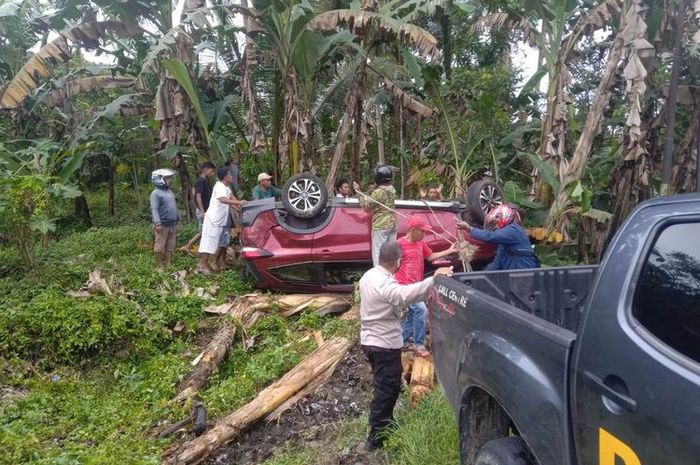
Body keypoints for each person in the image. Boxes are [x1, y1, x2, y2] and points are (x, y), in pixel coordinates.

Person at [358, 241, 454, 452]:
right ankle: (375, 438)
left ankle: (386, 423)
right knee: (386, 389)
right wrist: (434, 279)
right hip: (383, 344)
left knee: (386, 384)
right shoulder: (383, 283)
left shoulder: (370, 275)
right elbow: (403, 295)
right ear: (398, 261)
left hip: (372, 341)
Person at [395, 216, 457, 357]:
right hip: (404, 287)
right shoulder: (399, 244)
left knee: (413, 314)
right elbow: (393, 265)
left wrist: (449, 250)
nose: (424, 234)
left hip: (418, 286)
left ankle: (402, 342)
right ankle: (419, 344)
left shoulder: (420, 244)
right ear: (413, 230)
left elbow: (430, 256)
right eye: (422, 231)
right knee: (421, 310)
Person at [456, 204, 539, 270]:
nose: (495, 227)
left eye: (495, 224)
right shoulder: (503, 242)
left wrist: (470, 229)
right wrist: (482, 276)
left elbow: (490, 237)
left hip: (525, 274)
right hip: (514, 276)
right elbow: (497, 262)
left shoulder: (514, 230)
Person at [198, 168, 246, 274]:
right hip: (213, 219)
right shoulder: (219, 186)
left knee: (214, 242)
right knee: (209, 242)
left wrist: (240, 208)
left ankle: (206, 264)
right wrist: (239, 202)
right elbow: (223, 200)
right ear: (225, 177)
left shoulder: (226, 188)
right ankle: (202, 265)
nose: (232, 177)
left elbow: (233, 201)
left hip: (219, 220)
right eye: (230, 175)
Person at [354, 165, 397, 267]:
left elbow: (365, 204)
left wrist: (358, 191)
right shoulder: (392, 189)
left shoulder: (379, 192)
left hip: (381, 224)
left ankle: (379, 275)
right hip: (392, 222)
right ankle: (392, 272)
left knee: (378, 252)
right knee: (391, 252)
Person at [180, 162, 216, 255]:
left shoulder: (204, 181)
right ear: (205, 170)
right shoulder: (201, 181)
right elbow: (198, 196)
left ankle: (190, 246)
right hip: (202, 210)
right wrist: (202, 211)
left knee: (203, 231)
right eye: (212, 171)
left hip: (205, 210)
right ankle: (190, 247)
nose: (212, 174)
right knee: (204, 231)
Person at [150, 168, 180, 272]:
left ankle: (168, 262)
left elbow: (174, 207)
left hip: (172, 224)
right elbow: (154, 209)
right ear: (159, 179)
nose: (170, 180)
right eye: (167, 178)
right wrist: (157, 223)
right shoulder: (155, 193)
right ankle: (159, 266)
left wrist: (178, 220)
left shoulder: (170, 191)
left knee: (170, 244)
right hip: (162, 224)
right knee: (159, 245)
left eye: (170, 178)